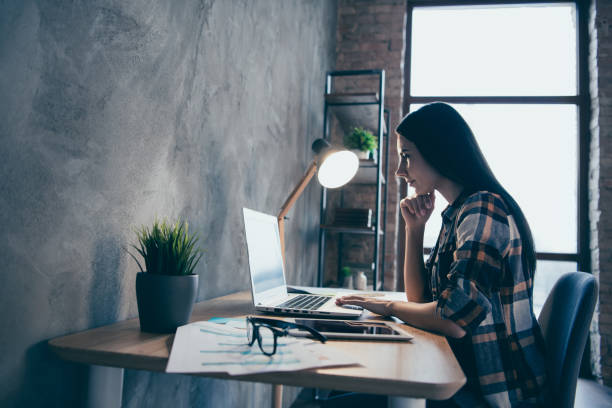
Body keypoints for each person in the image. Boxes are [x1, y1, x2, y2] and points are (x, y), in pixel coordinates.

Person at [336, 103, 547, 407]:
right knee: (346, 396)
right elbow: (420, 299)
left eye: (406, 155)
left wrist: (383, 306)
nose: (399, 170)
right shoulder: (459, 213)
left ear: (439, 150)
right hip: (466, 377)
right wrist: (415, 229)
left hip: (494, 394)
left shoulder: (482, 209)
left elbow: (451, 319)